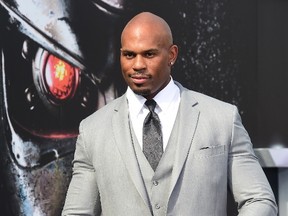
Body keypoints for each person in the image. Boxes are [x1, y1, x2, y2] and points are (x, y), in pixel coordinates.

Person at [62, 12, 278, 216]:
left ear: (172, 55)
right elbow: (77, 212)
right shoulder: (93, 130)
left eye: (149, 54)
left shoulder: (222, 119)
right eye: (129, 55)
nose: (137, 65)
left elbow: (259, 201)